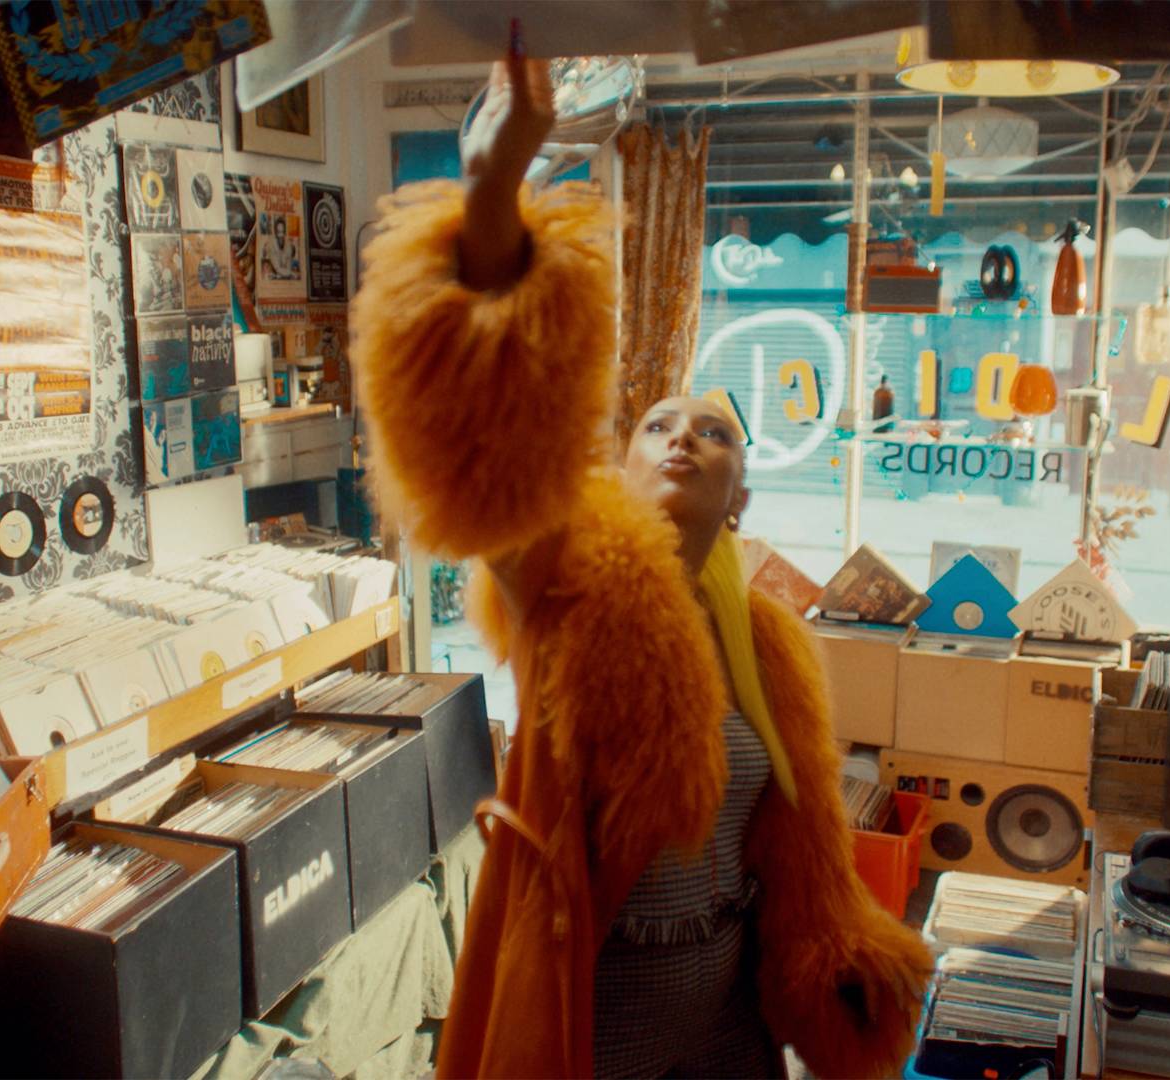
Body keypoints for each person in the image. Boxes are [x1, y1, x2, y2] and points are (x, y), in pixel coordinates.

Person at [350, 51, 928, 1080]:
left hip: (726, 1034)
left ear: (741, 493)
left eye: (713, 432)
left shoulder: (772, 652)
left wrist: (841, 965)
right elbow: (485, 443)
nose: (681, 438)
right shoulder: (571, 591)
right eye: (658, 423)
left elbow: (803, 857)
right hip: (589, 1021)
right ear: (618, 464)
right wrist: (492, 188)